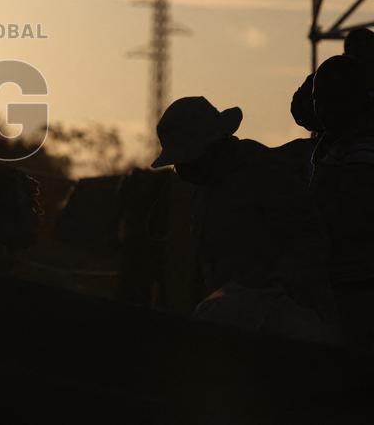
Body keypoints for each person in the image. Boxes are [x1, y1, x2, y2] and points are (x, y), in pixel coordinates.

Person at [152, 96, 333, 341]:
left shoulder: (264, 175)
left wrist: (272, 288)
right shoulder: (207, 189)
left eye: (185, 163)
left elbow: (306, 239)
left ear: (208, 150)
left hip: (280, 317)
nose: (182, 172)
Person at [310, 54, 374, 347]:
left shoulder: (362, 149)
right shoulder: (332, 146)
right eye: (318, 100)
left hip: (358, 285)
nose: (322, 110)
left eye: (330, 100)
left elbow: (351, 214)